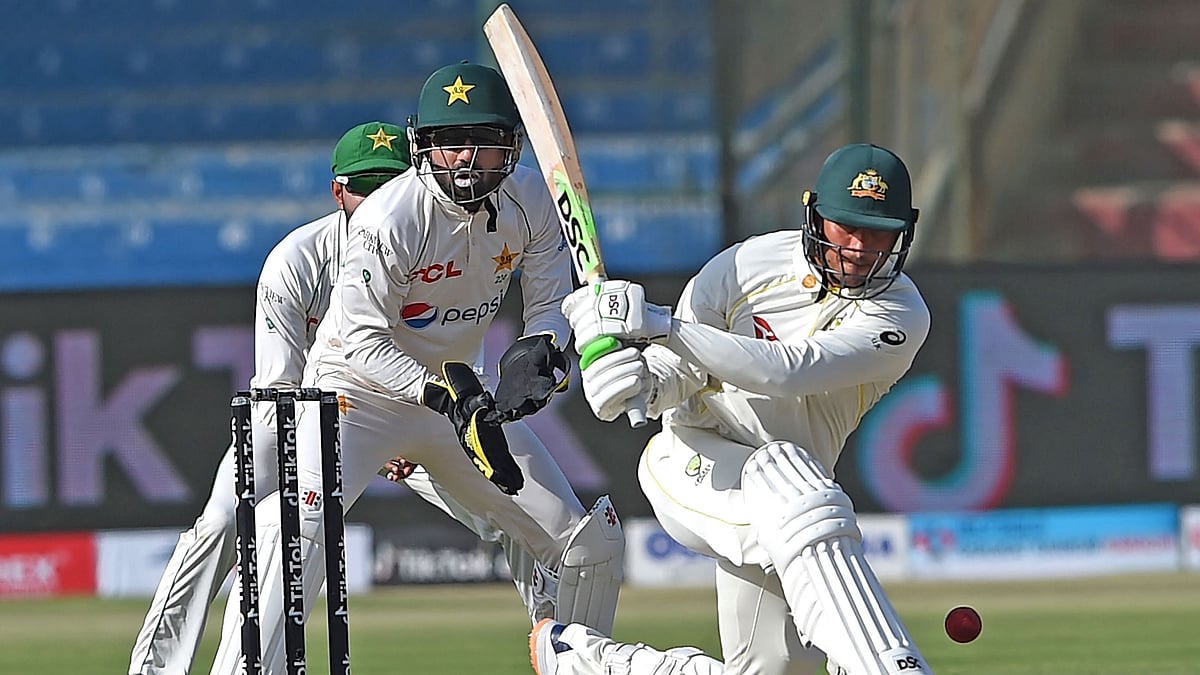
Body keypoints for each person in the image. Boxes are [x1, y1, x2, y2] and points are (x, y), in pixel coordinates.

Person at [207, 62, 625, 675]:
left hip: (458, 405)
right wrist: (442, 392)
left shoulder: (531, 199)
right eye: (451, 145)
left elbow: (548, 304)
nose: (467, 161)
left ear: (510, 147)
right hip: (356, 399)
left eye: (484, 145)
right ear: (423, 146)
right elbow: (360, 342)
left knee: (587, 546)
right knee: (291, 533)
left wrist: (542, 353)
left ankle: (577, 663)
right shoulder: (389, 219)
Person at [536, 143, 934, 675]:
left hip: (788, 502)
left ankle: (595, 664)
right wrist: (634, 383)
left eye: (879, 230)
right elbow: (676, 378)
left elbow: (789, 370)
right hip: (692, 462)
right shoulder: (747, 266)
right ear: (815, 215)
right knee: (791, 477)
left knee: (773, 666)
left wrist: (658, 324)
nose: (862, 246)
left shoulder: (901, 315)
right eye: (847, 226)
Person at [126, 121, 413, 674]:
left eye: (392, 185)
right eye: (365, 187)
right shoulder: (296, 261)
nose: (378, 200)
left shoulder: (432, 256)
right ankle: (155, 669)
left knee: (500, 501)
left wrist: (403, 431)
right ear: (339, 192)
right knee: (218, 524)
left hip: (402, 410)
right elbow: (282, 385)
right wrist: (357, 428)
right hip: (290, 414)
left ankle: (562, 635)